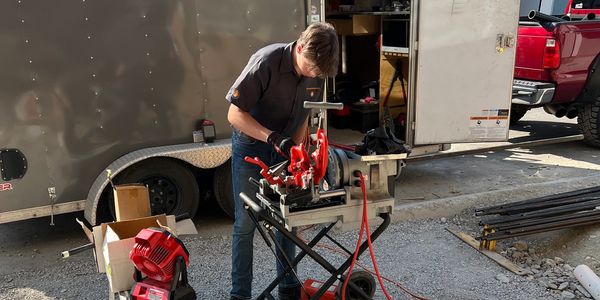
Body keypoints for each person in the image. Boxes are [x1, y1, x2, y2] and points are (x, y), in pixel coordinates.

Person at [225, 22, 339, 300]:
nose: (314, 73)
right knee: (246, 223)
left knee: (288, 221)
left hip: (286, 149)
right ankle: (240, 295)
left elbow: (303, 116)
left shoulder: (318, 70)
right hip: (252, 147)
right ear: (299, 47)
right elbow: (234, 115)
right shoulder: (266, 61)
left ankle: (288, 288)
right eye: (310, 67)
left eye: (318, 71)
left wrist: (299, 153)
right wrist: (273, 138)